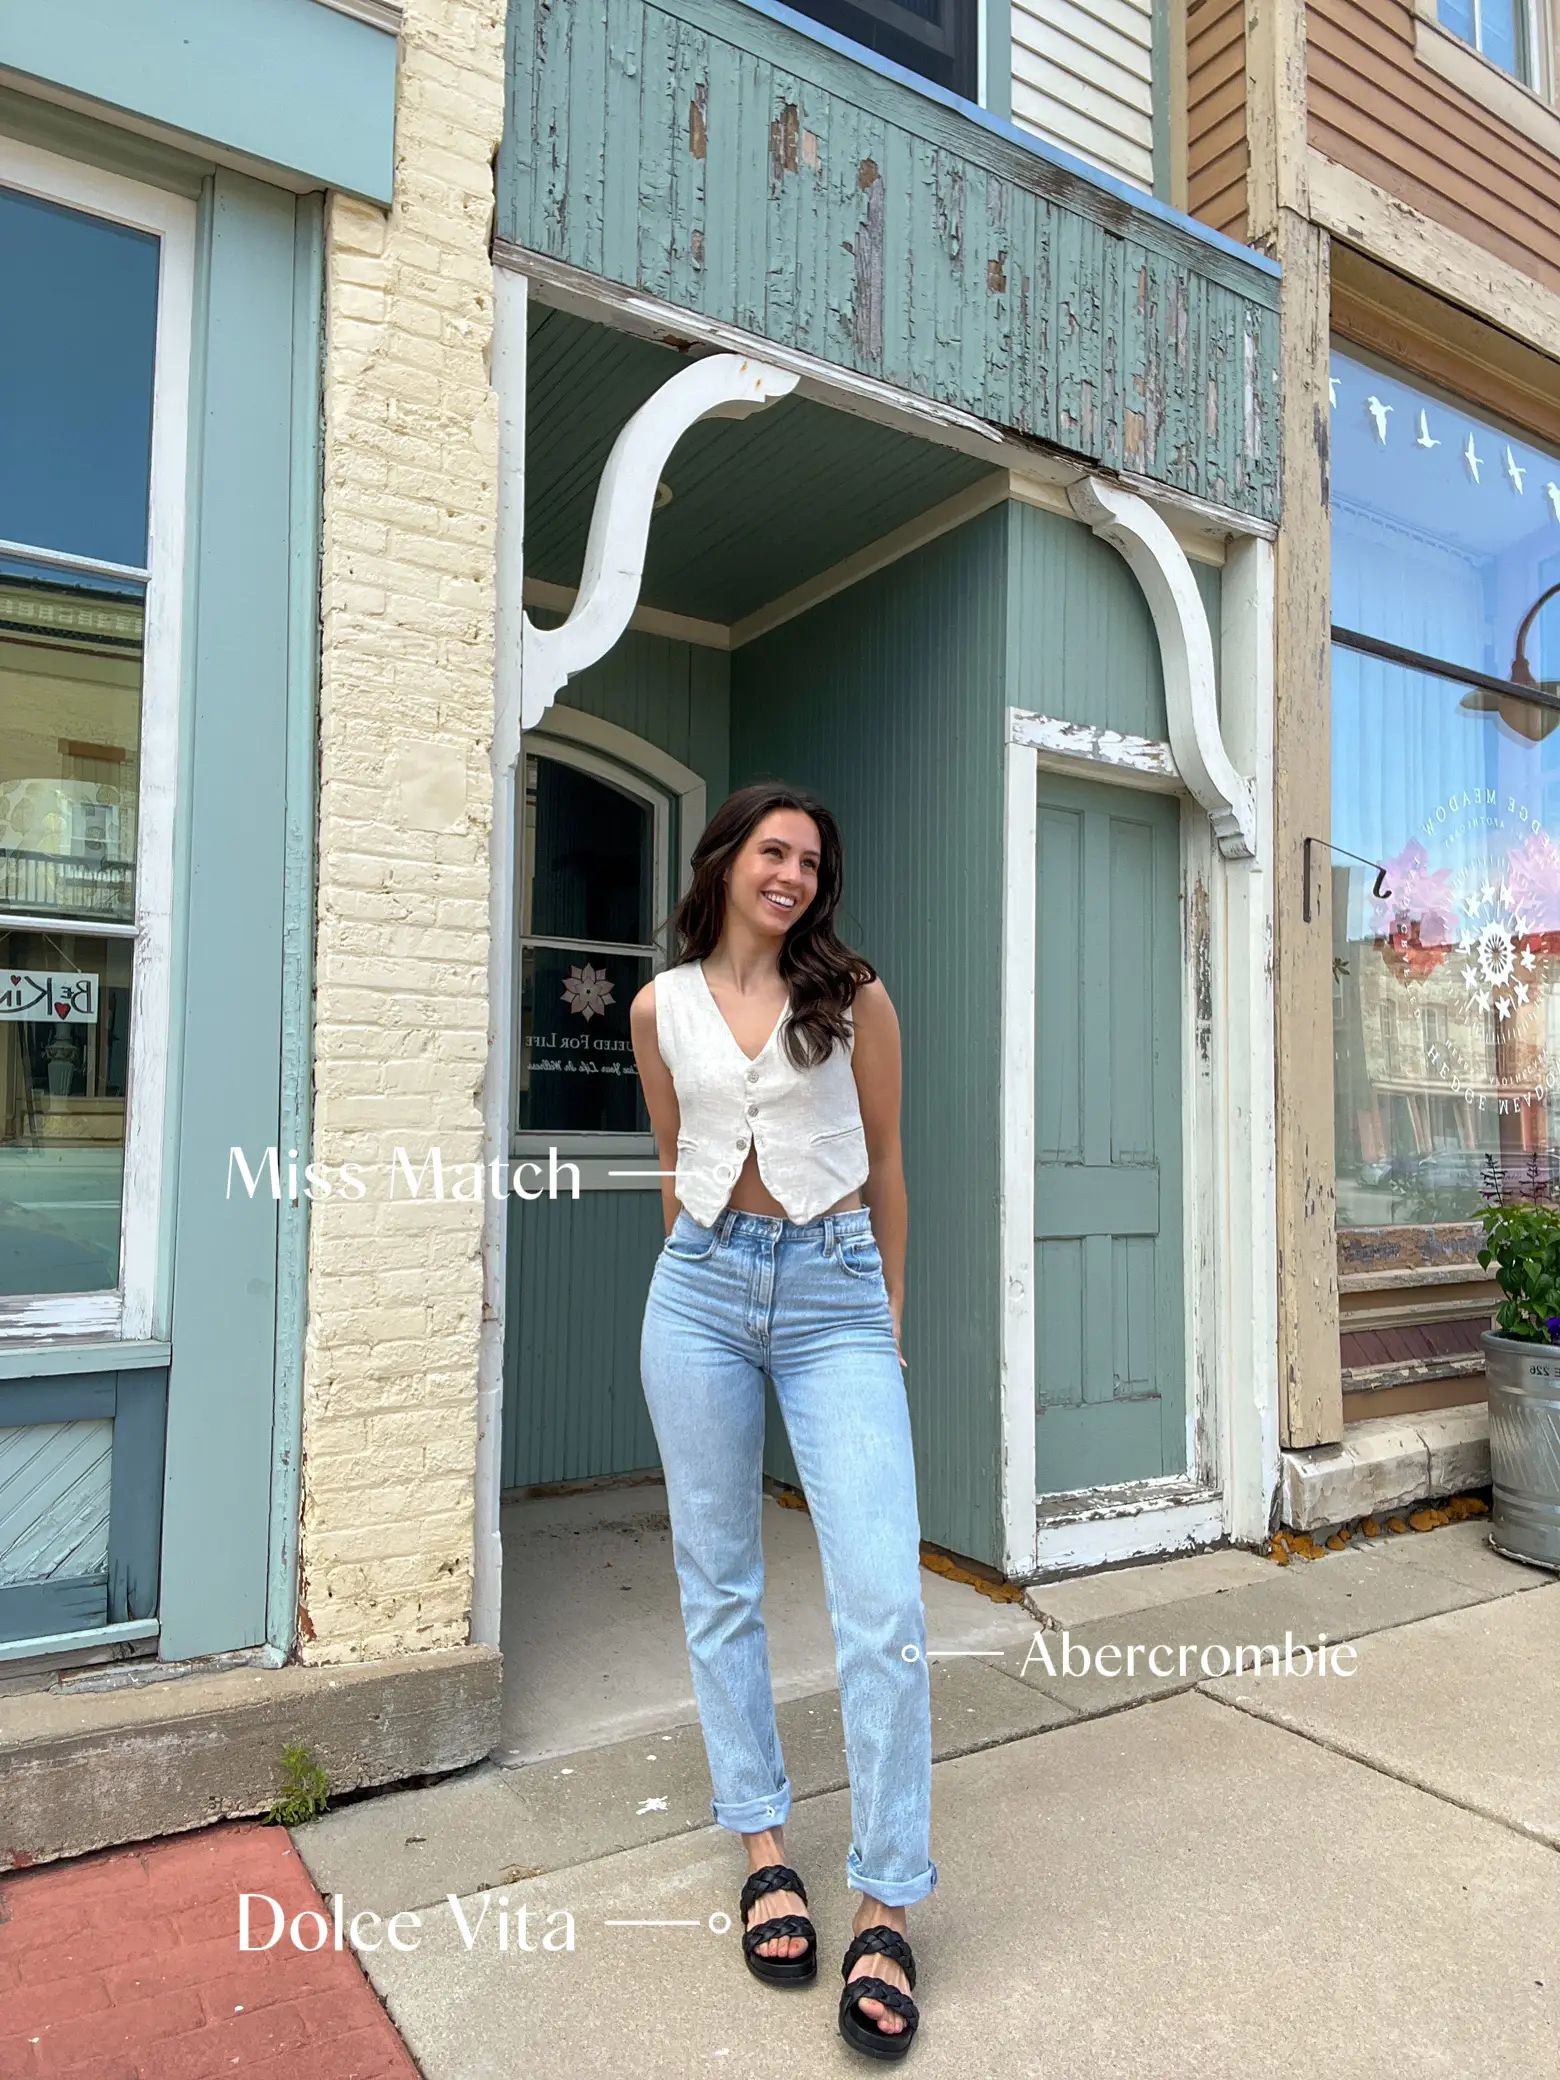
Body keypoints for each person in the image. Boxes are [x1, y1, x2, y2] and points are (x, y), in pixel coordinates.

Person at [630, 782, 933, 2061]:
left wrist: (888, 1320)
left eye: (812, 859)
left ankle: (887, 1899)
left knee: (883, 1601)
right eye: (774, 850)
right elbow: (671, 1152)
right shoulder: (660, 1005)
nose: (794, 873)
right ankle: (763, 1847)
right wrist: (699, 1279)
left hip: (837, 1296)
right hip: (698, 1294)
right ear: (727, 859)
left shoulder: (854, 994)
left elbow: (889, 1156)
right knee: (720, 1582)